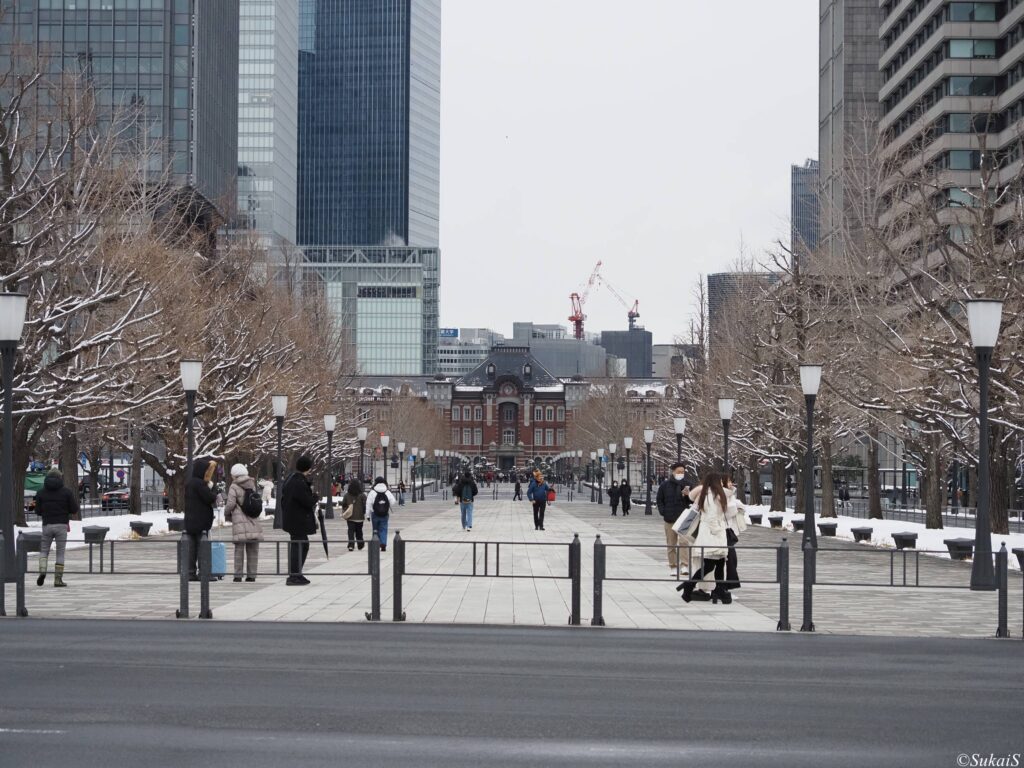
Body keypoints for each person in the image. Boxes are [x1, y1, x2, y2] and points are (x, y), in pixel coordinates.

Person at [677, 472, 730, 604]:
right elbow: (712, 517)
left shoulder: (710, 495)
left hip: (713, 533)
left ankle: (718, 589)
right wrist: (718, 530)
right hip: (712, 534)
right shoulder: (709, 496)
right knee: (710, 565)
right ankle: (690, 586)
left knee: (718, 563)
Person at [34, 469, 80, 587]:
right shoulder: (67, 492)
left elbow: (38, 511)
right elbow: (74, 509)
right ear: (60, 478)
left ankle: (42, 571)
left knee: (44, 550)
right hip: (61, 525)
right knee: (60, 553)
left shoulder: (41, 492)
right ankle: (58, 580)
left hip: (47, 525)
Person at [281, 456, 318, 585]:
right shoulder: (299, 482)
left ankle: (297, 573)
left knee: (301, 545)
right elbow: (307, 501)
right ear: (307, 468)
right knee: (300, 546)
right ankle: (294, 575)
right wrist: (315, 497)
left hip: (292, 519)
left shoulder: (291, 479)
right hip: (297, 520)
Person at [223, 463, 263, 582]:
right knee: (253, 550)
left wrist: (226, 513)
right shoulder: (251, 484)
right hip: (253, 521)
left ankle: (238, 575)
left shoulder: (234, 486)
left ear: (235, 475)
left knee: (239, 550)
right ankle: (251, 575)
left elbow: (230, 504)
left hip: (240, 521)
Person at [184, 458, 218, 582]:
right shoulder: (200, 484)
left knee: (191, 549)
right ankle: (204, 573)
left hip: (190, 521)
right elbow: (210, 498)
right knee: (203, 548)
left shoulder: (190, 483)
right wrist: (213, 489)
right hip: (201, 521)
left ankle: (190, 573)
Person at [656, 462, 692, 575]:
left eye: (683, 472)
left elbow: (693, 501)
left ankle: (684, 565)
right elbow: (659, 500)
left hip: (683, 518)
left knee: (684, 542)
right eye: (679, 472)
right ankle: (673, 566)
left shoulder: (688, 484)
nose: (681, 474)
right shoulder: (665, 485)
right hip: (669, 518)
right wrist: (663, 512)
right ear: (673, 472)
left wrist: (688, 496)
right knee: (671, 543)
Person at [366, 476, 397, 551]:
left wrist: (367, 515)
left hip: (375, 513)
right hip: (385, 514)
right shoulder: (387, 491)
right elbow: (393, 501)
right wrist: (386, 504)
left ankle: (375, 544)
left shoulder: (372, 492)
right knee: (383, 529)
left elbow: (368, 504)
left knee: (375, 529)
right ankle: (383, 543)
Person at [340, 478, 367, 551]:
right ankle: (360, 544)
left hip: (350, 516)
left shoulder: (347, 495)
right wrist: (363, 512)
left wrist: (346, 509)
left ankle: (351, 545)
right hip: (360, 517)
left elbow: (343, 504)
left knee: (350, 531)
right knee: (359, 531)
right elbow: (365, 505)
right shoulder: (362, 495)